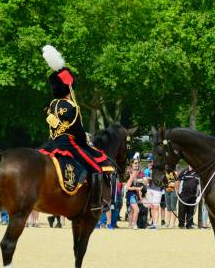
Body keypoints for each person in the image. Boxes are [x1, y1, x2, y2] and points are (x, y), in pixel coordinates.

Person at [38, 45, 110, 210]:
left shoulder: (51, 106)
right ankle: (96, 203)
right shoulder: (72, 106)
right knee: (96, 168)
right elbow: (77, 132)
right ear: (68, 88)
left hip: (51, 143)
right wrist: (85, 140)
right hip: (69, 144)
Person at [143, 155, 161, 229]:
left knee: (156, 207)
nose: (149, 163)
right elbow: (145, 180)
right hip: (149, 189)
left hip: (157, 189)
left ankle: (155, 224)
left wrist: (150, 177)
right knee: (152, 207)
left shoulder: (158, 170)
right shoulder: (146, 170)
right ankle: (153, 223)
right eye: (149, 161)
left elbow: (159, 179)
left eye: (151, 161)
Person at [125, 160, 144, 229]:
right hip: (131, 195)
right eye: (135, 163)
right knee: (137, 209)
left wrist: (139, 190)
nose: (137, 164)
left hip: (133, 194)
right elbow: (127, 187)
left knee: (132, 210)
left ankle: (130, 225)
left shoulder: (134, 175)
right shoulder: (132, 176)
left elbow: (135, 184)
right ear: (132, 165)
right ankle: (134, 224)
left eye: (137, 163)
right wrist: (137, 188)